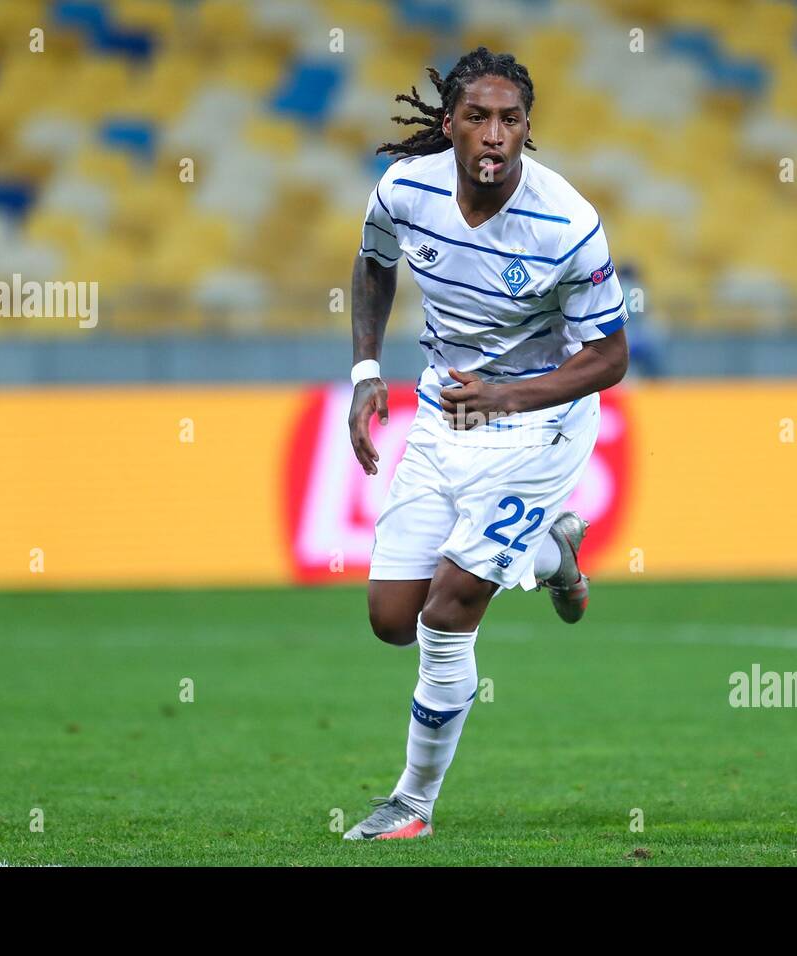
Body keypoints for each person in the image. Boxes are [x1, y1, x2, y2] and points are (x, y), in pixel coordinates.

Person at [343, 47, 629, 840]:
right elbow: (372, 264)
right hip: (446, 415)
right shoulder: (405, 190)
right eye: (479, 118)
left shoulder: (567, 224)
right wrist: (368, 368)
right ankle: (553, 555)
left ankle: (411, 804)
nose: (495, 135)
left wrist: (507, 394)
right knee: (391, 618)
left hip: (540, 427)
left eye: (510, 120)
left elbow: (610, 357)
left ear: (527, 129)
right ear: (450, 126)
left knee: (445, 615)